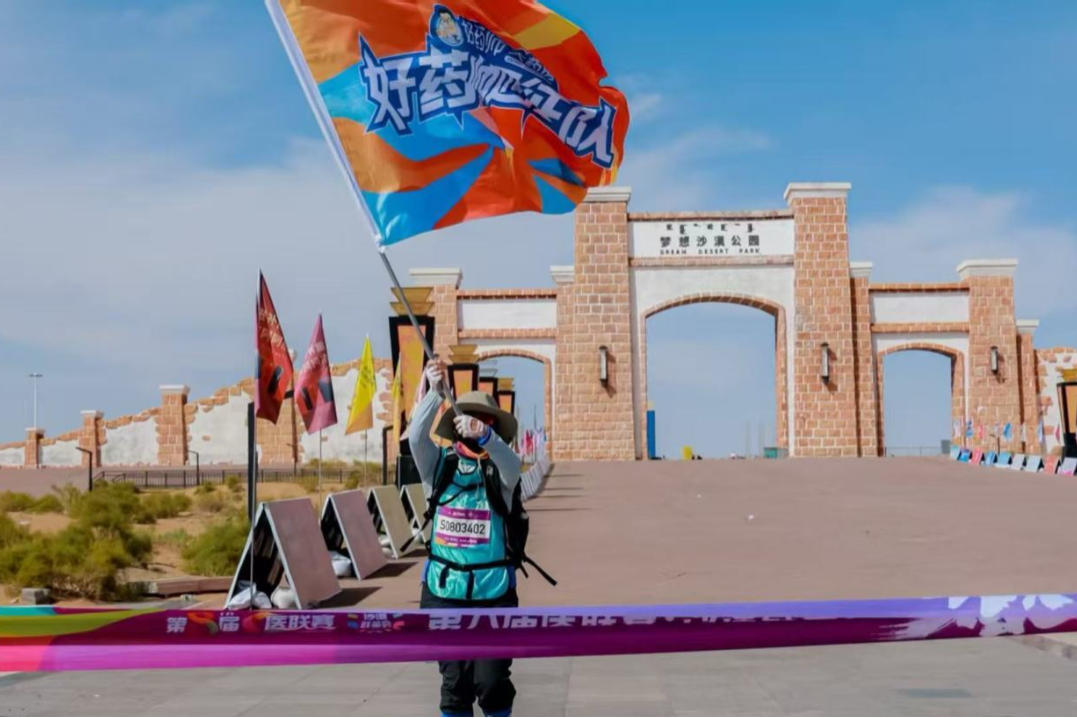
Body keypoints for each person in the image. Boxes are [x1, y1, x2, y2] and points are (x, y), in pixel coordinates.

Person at [410, 358, 522, 718]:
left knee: (491, 683)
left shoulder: (500, 473)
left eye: (485, 421)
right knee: (455, 686)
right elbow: (415, 438)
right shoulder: (439, 466)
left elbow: (514, 466)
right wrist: (433, 392)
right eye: (469, 419)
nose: (474, 425)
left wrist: (486, 437)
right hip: (444, 593)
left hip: (494, 594)